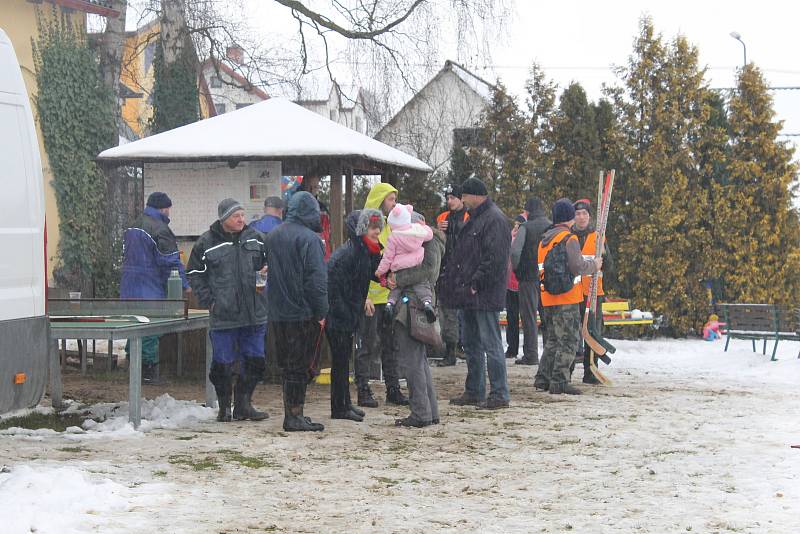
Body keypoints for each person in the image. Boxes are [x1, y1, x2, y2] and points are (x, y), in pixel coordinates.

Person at [187, 198, 269, 422]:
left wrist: (266, 273)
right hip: (224, 315)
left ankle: (244, 404)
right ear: (224, 219)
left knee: (255, 361)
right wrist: (209, 301)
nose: (241, 219)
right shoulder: (206, 242)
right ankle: (224, 407)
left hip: (255, 313)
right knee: (222, 365)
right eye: (236, 216)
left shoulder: (258, 239)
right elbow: (194, 274)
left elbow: (270, 264)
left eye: (243, 215)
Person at [440, 177, 512, 410]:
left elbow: (495, 259)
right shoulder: (477, 219)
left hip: (484, 293)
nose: (462, 200)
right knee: (471, 344)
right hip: (470, 293)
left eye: (464, 196)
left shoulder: (494, 220)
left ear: (475, 196)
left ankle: (499, 393)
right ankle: (475, 390)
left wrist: (476, 283)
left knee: (491, 344)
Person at [265, 191, 329, 431]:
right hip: (302, 312)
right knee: (300, 366)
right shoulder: (310, 240)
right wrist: (322, 311)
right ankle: (294, 416)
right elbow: (316, 281)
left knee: (288, 365)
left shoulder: (273, 235)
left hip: (278, 311)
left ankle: (293, 413)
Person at [534, 199, 602, 395]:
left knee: (553, 340)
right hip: (567, 298)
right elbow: (578, 267)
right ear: (569, 218)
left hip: (547, 298)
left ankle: (543, 378)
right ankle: (560, 380)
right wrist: (594, 265)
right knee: (569, 340)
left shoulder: (544, 239)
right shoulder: (568, 239)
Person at [120, 192, 189, 383]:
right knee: (151, 327)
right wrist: (185, 284)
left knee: (134, 325)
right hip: (149, 286)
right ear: (164, 208)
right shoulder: (160, 228)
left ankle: (132, 365)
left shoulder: (133, 225)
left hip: (129, 285)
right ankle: (148, 373)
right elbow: (170, 262)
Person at [325, 209, 384, 422]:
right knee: (340, 363)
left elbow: (375, 273)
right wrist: (344, 312)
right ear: (360, 229)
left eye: (378, 227)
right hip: (339, 315)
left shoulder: (366, 251)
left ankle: (344, 403)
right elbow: (333, 287)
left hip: (349, 313)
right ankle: (339, 407)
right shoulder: (349, 253)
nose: (377, 231)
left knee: (343, 362)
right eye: (371, 227)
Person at [355, 182, 408, 408]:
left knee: (391, 344)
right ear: (379, 200)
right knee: (367, 345)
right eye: (390, 199)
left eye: (395, 200)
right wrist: (363, 296)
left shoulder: (391, 227)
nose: (394, 204)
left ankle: (393, 388)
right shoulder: (366, 226)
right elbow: (360, 265)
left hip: (388, 297)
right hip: (370, 299)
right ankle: (363, 389)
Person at [391, 212, 445, 427]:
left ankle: (421, 413)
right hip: (421, 305)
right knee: (419, 361)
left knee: (412, 361)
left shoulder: (426, 241)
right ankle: (429, 411)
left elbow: (428, 272)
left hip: (411, 307)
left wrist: (398, 279)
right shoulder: (431, 241)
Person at [572, 198, 615, 384]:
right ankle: (566, 371)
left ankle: (591, 371)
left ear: (589, 216)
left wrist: (602, 263)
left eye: (584, 214)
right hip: (572, 294)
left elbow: (610, 266)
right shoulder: (568, 236)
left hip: (593, 293)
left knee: (593, 332)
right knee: (573, 334)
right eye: (578, 214)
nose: (581, 217)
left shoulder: (598, 237)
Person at [376, 203, 436, 323]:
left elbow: (387, 258)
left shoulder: (393, 237)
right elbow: (429, 234)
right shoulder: (419, 233)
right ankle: (427, 304)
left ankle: (389, 305)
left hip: (399, 268)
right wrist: (424, 227)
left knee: (395, 291)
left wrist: (381, 272)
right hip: (416, 263)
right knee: (423, 287)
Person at [510, 197, 551, 366]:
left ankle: (531, 354)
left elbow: (515, 252)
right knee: (548, 317)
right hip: (548, 279)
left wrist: (517, 270)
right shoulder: (551, 226)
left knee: (529, 318)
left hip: (528, 277)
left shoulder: (525, 227)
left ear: (527, 212)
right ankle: (550, 353)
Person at [434, 184, 469, 367]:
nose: (449, 201)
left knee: (461, 313)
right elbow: (434, 242)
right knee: (447, 313)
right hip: (446, 270)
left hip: (464, 270)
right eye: (447, 198)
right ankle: (451, 349)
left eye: (452, 198)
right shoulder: (443, 217)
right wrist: (438, 229)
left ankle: (462, 346)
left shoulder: (469, 216)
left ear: (460, 198)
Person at [296, 174, 332, 260]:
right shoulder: (295, 205)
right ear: (304, 186)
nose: (312, 190)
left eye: (315, 187)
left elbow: (328, 233)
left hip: (320, 250)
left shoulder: (322, 208)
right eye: (309, 186)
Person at [505, 215, 526, 359]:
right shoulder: (509, 239)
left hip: (522, 284)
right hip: (509, 284)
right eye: (516, 224)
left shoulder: (525, 239)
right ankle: (512, 348)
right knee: (511, 319)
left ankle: (527, 350)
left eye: (520, 225)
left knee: (525, 318)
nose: (517, 227)